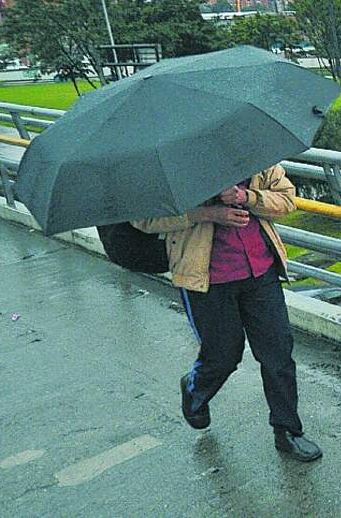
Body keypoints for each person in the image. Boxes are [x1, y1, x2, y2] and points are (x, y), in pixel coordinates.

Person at [133, 164, 321, 462]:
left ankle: (287, 431)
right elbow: (144, 219)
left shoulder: (253, 156)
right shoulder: (172, 166)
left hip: (260, 270)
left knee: (278, 354)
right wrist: (206, 214)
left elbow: (286, 200)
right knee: (223, 356)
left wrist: (246, 197)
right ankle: (194, 388)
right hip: (206, 279)